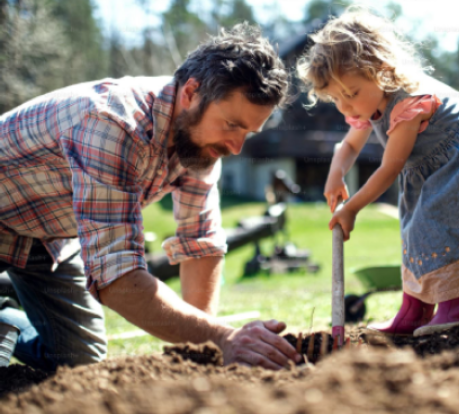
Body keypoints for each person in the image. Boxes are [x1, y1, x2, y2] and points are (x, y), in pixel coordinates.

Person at [0, 23, 301, 371]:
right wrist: (222, 337)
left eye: (248, 132)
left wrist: (201, 352)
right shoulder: (111, 121)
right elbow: (117, 276)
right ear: (191, 93)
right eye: (232, 125)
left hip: (47, 235)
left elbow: (200, 245)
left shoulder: (199, 141)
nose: (235, 147)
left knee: (81, 363)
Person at [297, 9, 459, 336]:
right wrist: (336, 175)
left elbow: (390, 168)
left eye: (351, 93)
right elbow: (348, 147)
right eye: (337, 98)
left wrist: (352, 208)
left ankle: (456, 307)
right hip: (425, 164)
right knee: (415, 231)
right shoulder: (369, 102)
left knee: (442, 225)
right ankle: (414, 311)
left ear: (380, 70)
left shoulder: (408, 104)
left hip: (458, 153)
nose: (346, 106)